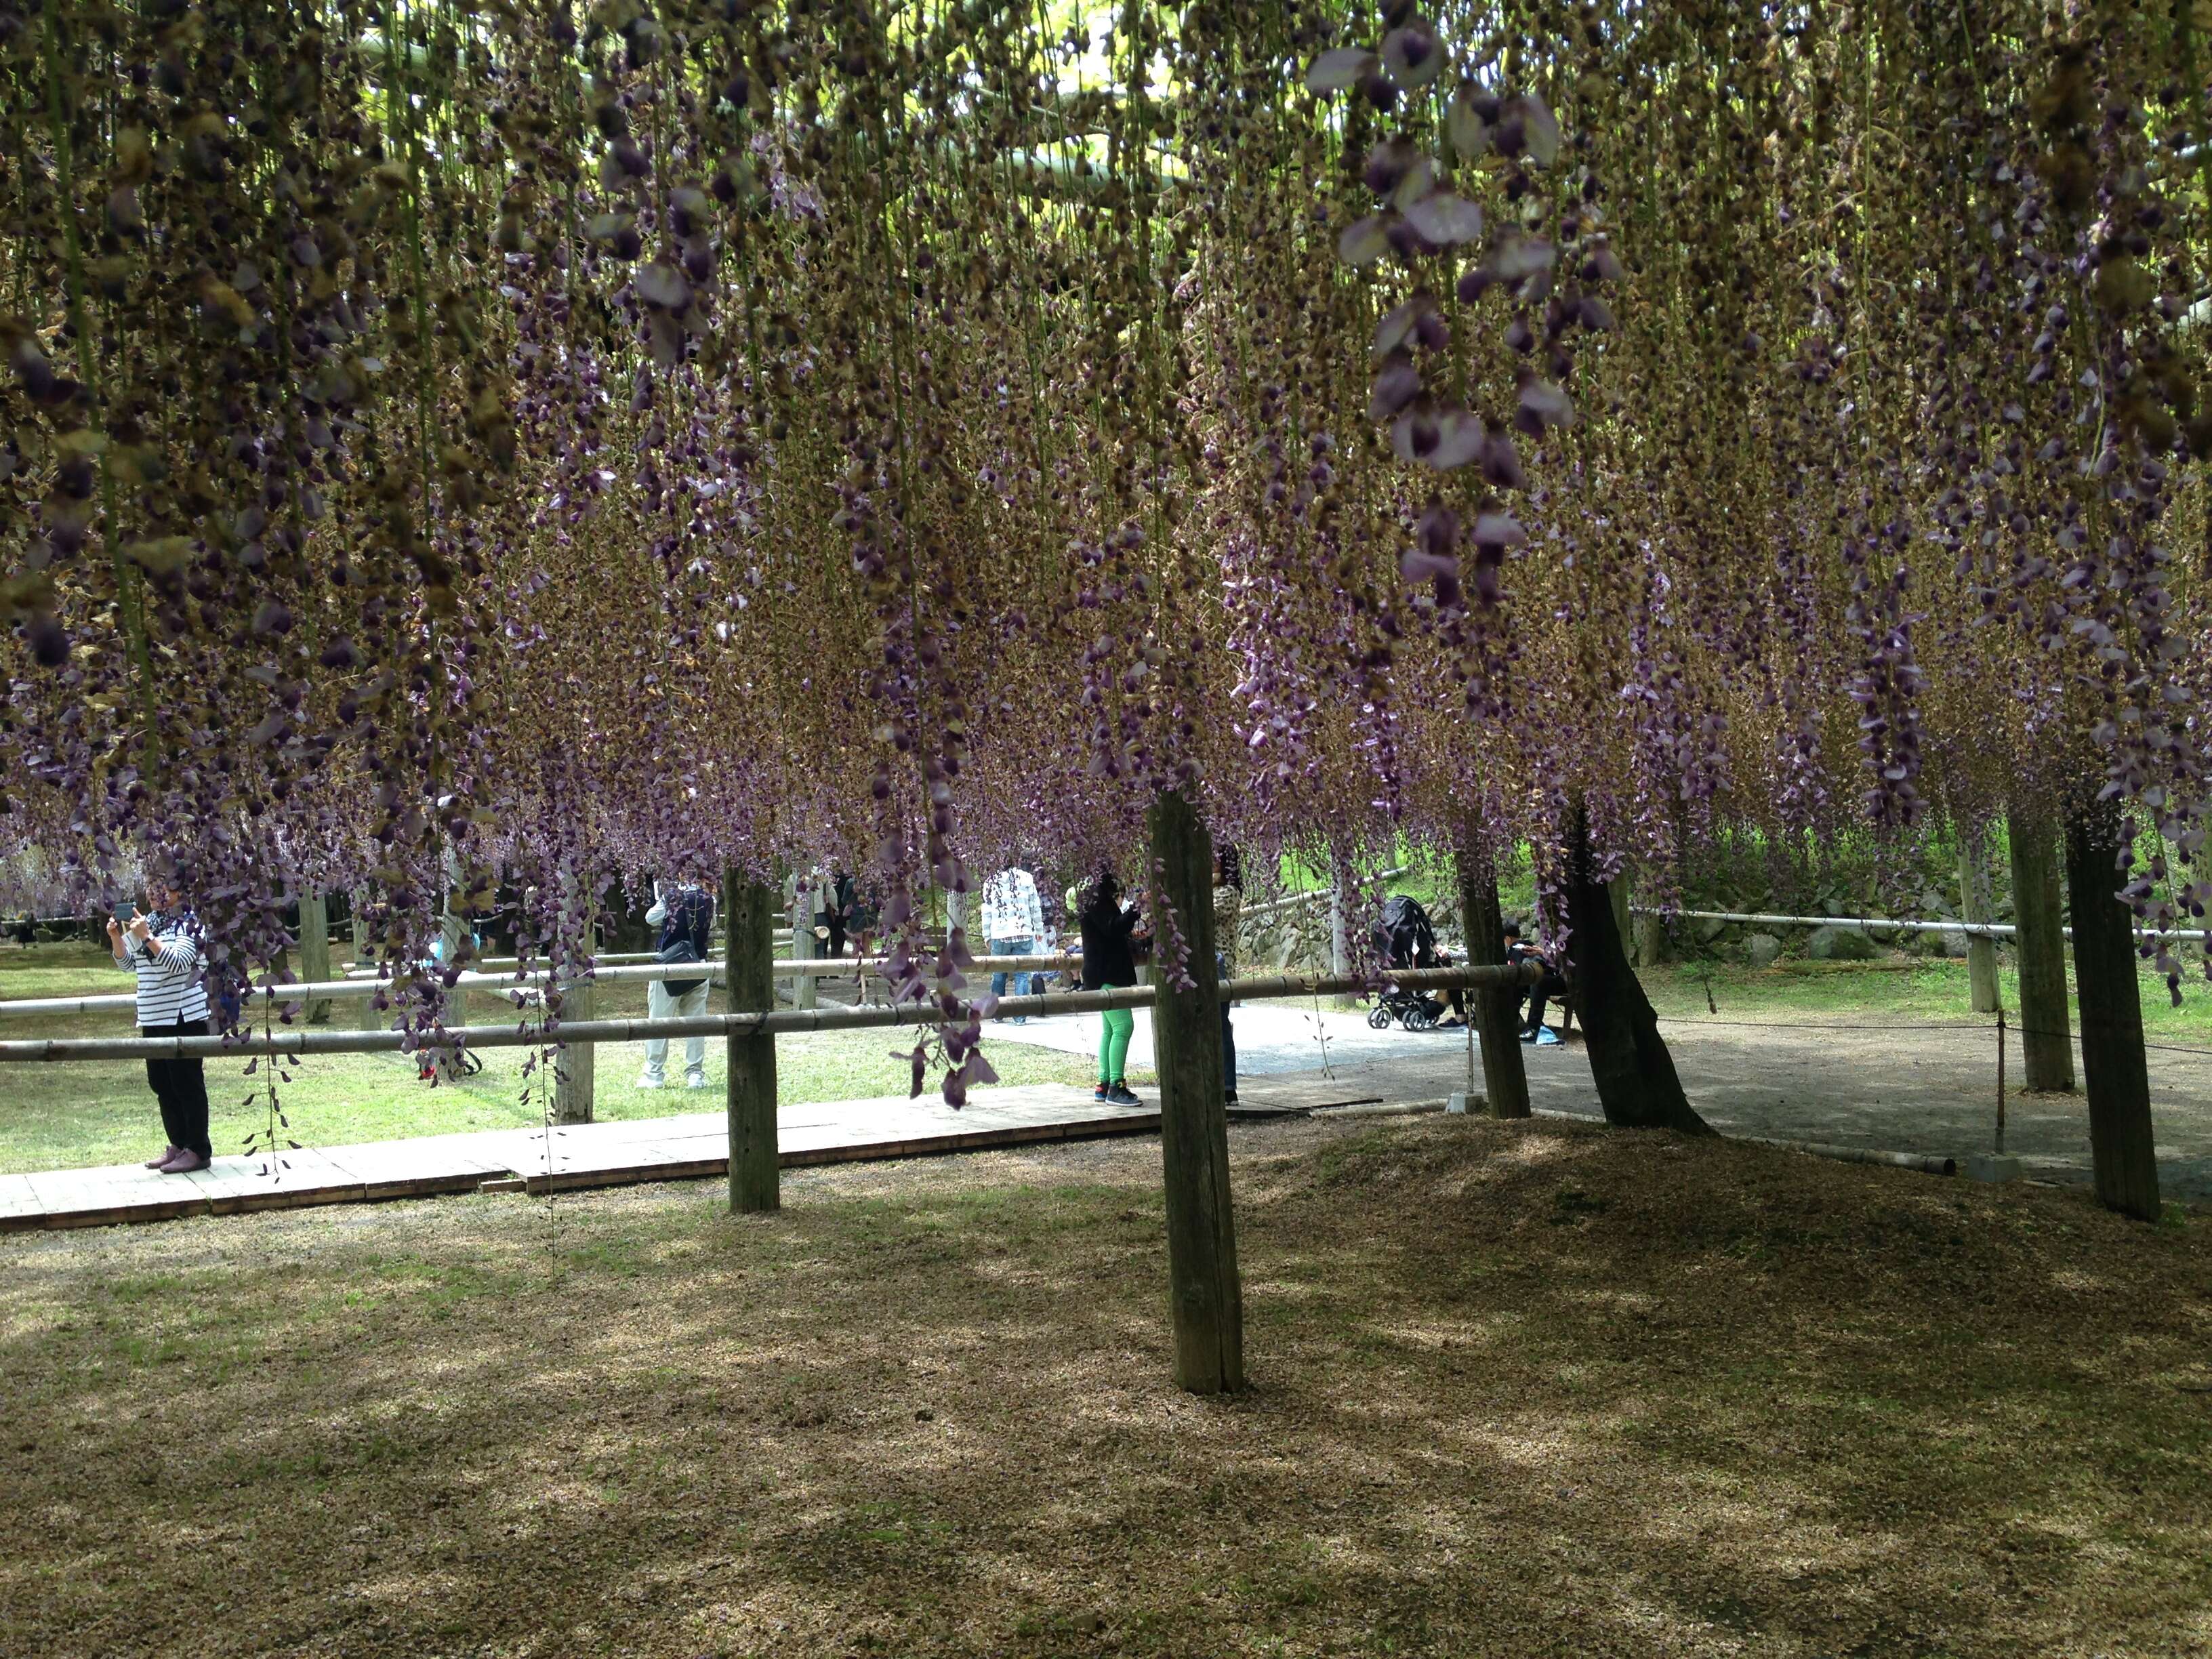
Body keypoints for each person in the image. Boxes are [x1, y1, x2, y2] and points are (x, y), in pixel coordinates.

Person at [108, 880, 213, 1173]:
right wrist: (117, 936)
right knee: (162, 1084)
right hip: (152, 1016)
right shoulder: (145, 924)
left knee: (186, 1083)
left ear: (179, 893)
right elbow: (127, 964)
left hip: (183, 1016)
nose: (155, 895)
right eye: (152, 889)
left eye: (163, 889)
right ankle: (178, 1145)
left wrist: (148, 936)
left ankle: (198, 1149)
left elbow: (179, 963)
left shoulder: (190, 924)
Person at [640, 874, 714, 1088]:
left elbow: (650, 918)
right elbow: (711, 922)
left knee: (659, 1021)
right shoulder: (710, 897)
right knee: (696, 1023)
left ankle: (654, 1074)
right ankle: (695, 1075)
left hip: (669, 967)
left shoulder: (669, 896)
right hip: (699, 964)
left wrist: (661, 899)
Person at [1078, 867, 1143, 1106]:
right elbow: (1113, 927)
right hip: (1107, 972)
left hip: (1103, 971)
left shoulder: (1093, 896)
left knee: (1110, 1029)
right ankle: (1117, 1087)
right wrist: (1137, 910)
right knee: (1124, 1026)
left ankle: (1103, 1084)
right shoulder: (1096, 897)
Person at [980, 863, 1045, 1022]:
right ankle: (1020, 1017)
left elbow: (987, 912)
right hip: (1023, 932)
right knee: (1022, 975)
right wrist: (1039, 929)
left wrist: (987, 935)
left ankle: (998, 1013)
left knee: (998, 974)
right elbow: (1034, 906)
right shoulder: (1027, 878)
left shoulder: (990, 882)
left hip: (1000, 933)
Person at [1503, 919, 1565, 1045]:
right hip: (1551, 972)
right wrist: (1540, 951)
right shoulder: (1555, 935)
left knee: (1538, 980)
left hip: (1564, 978)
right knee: (1518, 980)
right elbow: (1554, 956)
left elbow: (1565, 958)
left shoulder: (1568, 934)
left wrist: (1542, 953)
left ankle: (1534, 1026)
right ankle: (1510, 1021)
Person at [1214, 845, 1242, 1107]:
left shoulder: (1228, 893)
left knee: (1221, 1025)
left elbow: (1204, 915)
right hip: (1206, 962)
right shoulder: (1213, 891)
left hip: (1219, 963)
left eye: (1216, 861)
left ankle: (1227, 1086)